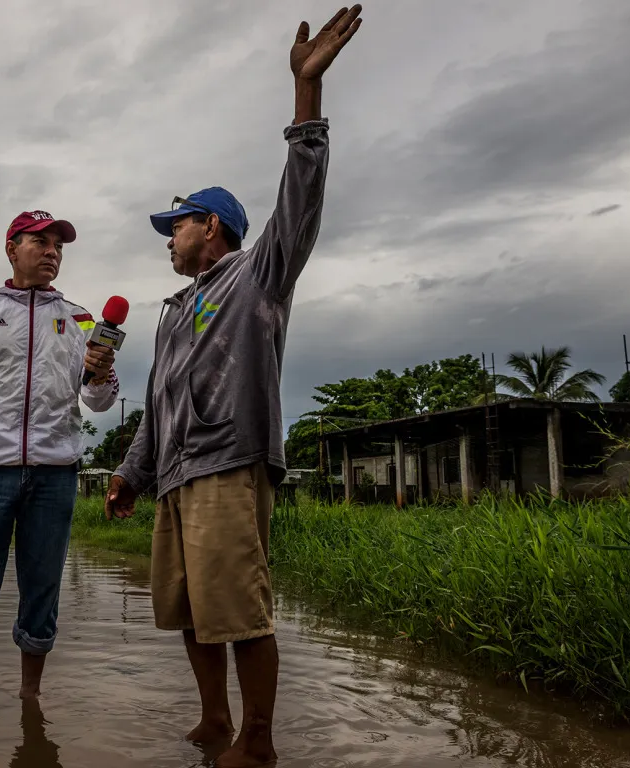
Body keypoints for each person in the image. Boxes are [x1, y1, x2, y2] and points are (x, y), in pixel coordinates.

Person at [105, 7, 363, 767]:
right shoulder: (172, 310)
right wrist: (129, 472)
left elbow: (300, 205)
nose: (169, 237)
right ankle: (214, 720)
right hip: (176, 478)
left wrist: (304, 97)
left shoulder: (259, 276)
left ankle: (259, 738)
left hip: (228, 463)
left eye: (176, 225)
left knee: (240, 614)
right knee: (190, 611)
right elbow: (156, 402)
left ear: (212, 227)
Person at [0, 209, 119, 703]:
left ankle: (29, 700)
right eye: (41, 242)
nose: (53, 251)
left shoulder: (80, 320)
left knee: (43, 591)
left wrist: (100, 373)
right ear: (12, 248)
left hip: (55, 475)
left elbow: (99, 401)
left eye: (59, 245)